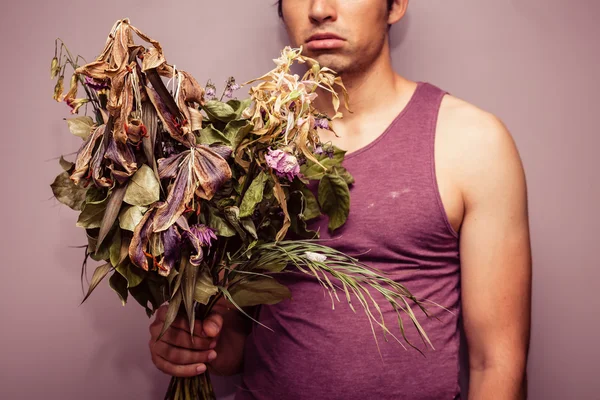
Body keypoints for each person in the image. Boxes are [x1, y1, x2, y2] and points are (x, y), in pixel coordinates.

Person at [149, 1, 532, 398]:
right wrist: (191, 344)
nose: (319, 9)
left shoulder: (472, 142)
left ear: (395, 5)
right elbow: (235, 347)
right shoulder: (245, 146)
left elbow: (498, 363)